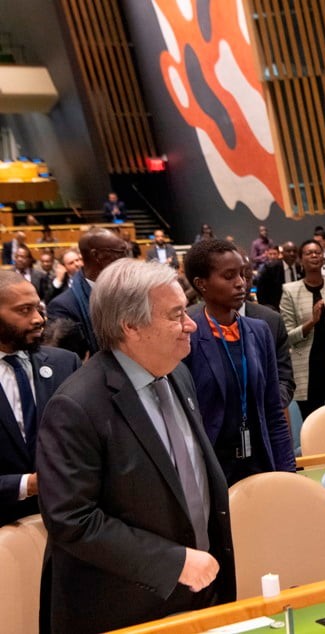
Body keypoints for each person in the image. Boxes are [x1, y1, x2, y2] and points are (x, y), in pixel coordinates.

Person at [36, 259, 236, 633]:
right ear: (131, 326)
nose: (190, 323)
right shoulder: (76, 406)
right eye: (176, 315)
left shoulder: (177, 373)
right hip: (125, 607)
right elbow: (72, 520)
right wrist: (173, 562)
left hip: (200, 593)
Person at [182, 239, 296, 485]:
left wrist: (288, 474)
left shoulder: (259, 331)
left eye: (243, 274)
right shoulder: (187, 335)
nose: (240, 283)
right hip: (211, 470)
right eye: (229, 276)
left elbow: (274, 411)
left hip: (260, 462)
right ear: (201, 284)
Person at [0, 272, 81, 526]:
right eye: (24, 310)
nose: (38, 319)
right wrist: (26, 484)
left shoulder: (65, 363)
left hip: (68, 521)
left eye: (38, 308)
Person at [280, 239, 325, 419]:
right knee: (313, 426)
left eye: (317, 252)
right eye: (308, 253)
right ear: (300, 259)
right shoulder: (290, 291)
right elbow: (288, 337)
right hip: (308, 372)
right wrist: (312, 321)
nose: (314, 255)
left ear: (323, 257)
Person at [46, 228, 128, 358]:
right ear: (97, 256)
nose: (125, 259)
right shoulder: (63, 307)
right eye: (120, 253)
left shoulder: (131, 289)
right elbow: (65, 365)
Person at [255, 241, 302, 309]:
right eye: (288, 251)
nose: (292, 254)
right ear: (282, 253)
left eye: (294, 251)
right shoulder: (270, 268)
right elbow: (261, 292)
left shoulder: (301, 268)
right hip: (276, 309)